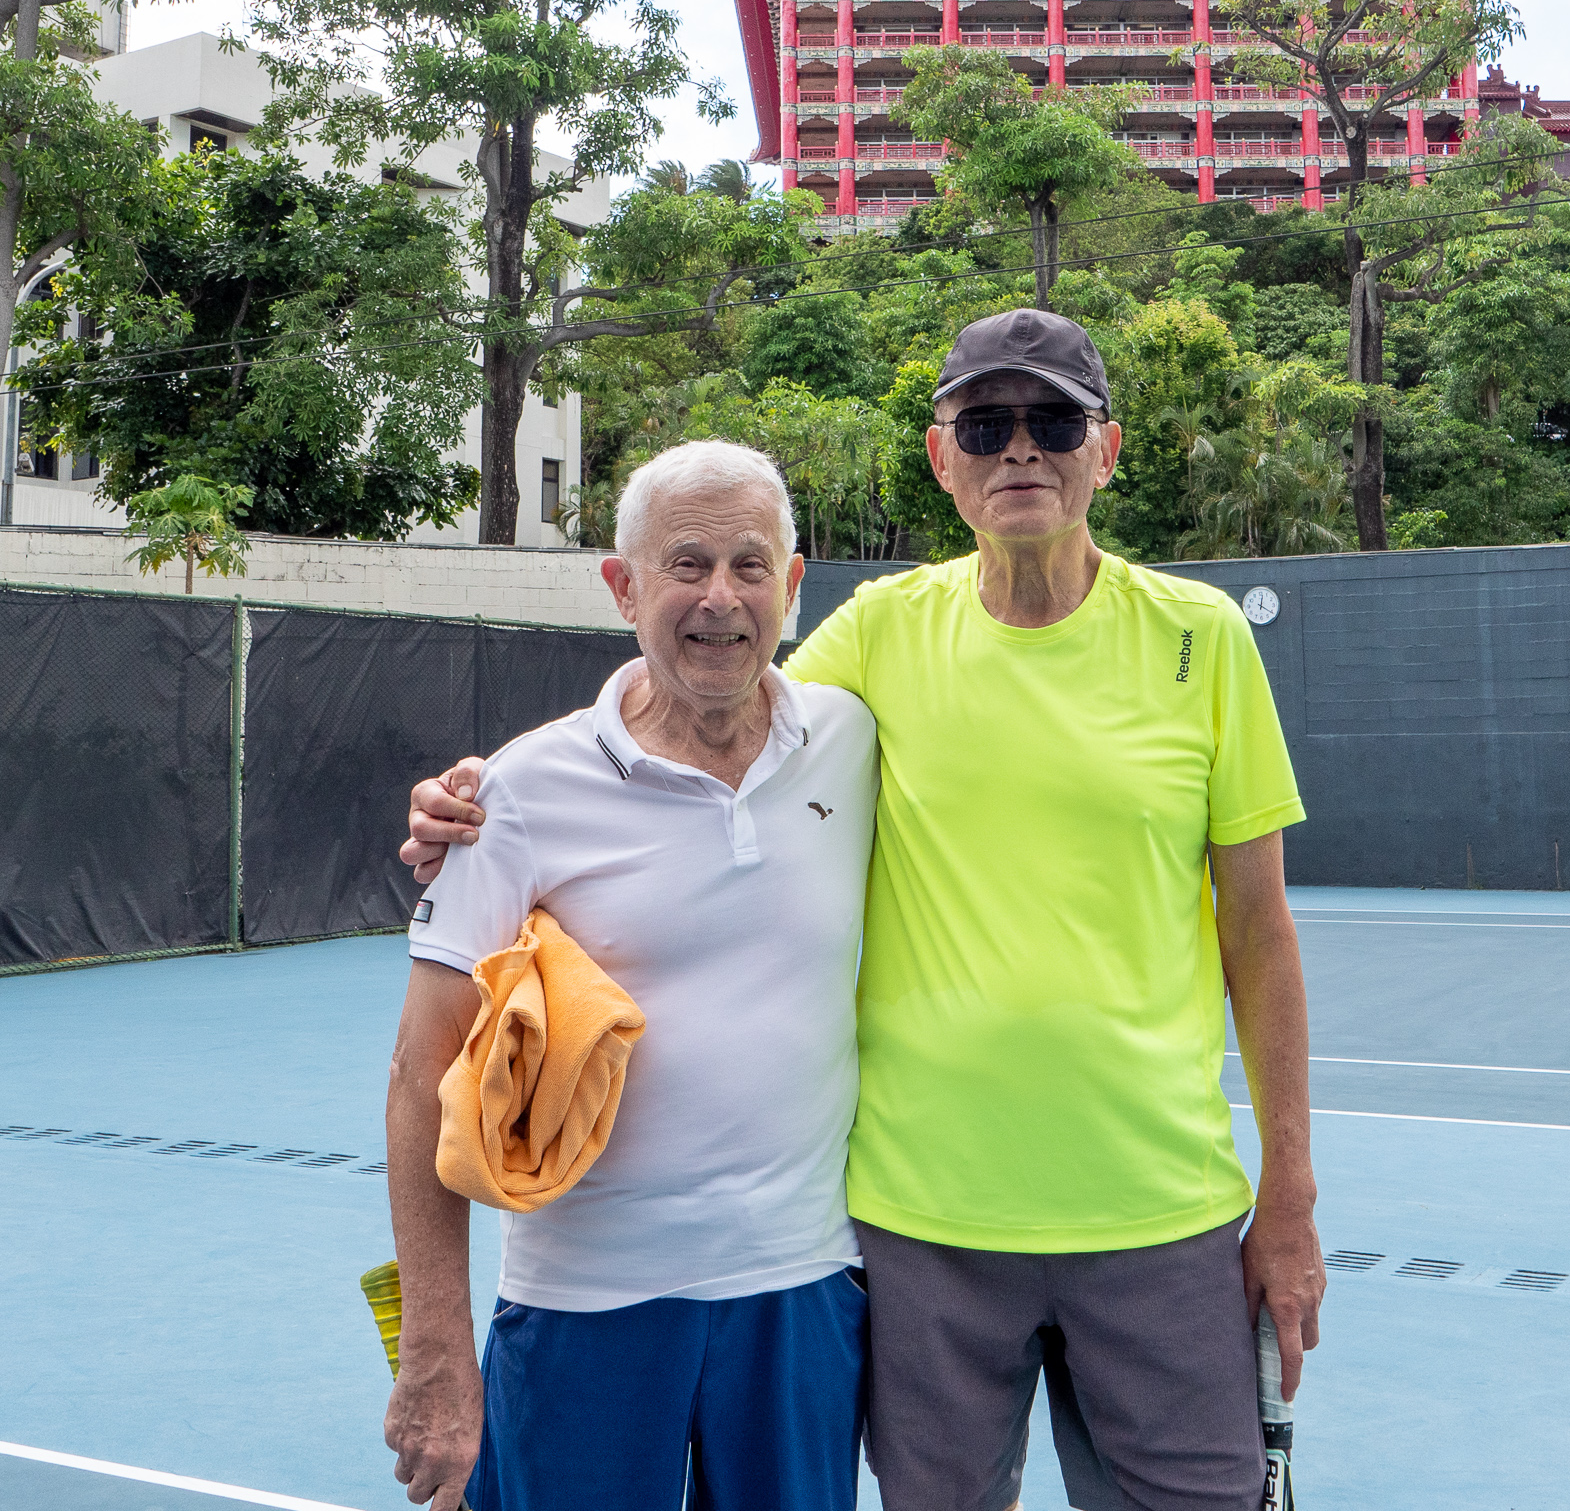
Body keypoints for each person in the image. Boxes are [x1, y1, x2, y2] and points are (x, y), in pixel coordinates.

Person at [406, 309, 1325, 1511]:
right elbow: (703, 685)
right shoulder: (879, 639)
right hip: (915, 1230)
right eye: (983, 426)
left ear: (1106, 451)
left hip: (1159, 1215)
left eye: (1052, 423)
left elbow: (1258, 935)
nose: (1018, 452)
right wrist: (474, 797)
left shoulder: (1200, 642)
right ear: (940, 459)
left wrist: (1291, 1200)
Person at [383, 440, 879, 1511]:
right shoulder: (515, 790)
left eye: (751, 567)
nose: (719, 599)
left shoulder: (853, 741)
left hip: (800, 1297)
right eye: (685, 564)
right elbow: (421, 1070)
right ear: (623, 587)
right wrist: (433, 1347)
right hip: (582, 1305)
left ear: (793, 587)